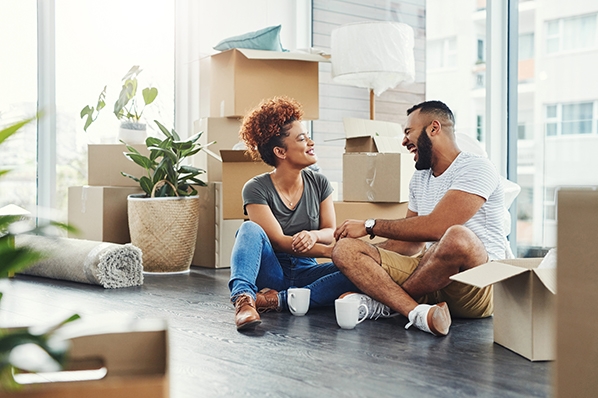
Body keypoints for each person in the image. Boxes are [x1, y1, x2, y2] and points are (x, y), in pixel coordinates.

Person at [331, 100, 506, 337]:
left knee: (457, 236)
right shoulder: (419, 179)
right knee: (345, 250)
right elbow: (407, 245)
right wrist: (354, 252)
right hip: (430, 276)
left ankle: (389, 305)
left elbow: (437, 228)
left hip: (478, 283)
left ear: (434, 128)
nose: (404, 141)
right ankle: (417, 313)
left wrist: (370, 226)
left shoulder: (476, 167)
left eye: (408, 132)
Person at [229, 96, 358, 330]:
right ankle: (244, 300)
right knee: (248, 228)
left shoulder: (319, 182)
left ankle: (275, 300)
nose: (311, 142)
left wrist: (314, 235)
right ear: (281, 151)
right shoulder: (256, 188)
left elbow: (330, 231)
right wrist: (333, 253)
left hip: (307, 269)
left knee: (361, 271)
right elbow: (277, 242)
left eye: (307, 136)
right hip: (272, 272)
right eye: (302, 138)